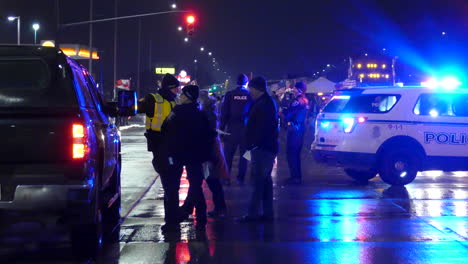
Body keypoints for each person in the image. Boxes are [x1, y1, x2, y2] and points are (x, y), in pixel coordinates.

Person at [161, 85, 216, 230]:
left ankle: (173, 221)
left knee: (172, 188)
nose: (180, 96)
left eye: (182, 95)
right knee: (196, 186)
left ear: (187, 97)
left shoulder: (177, 111)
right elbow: (209, 134)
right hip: (196, 155)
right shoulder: (201, 113)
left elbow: (165, 127)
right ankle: (201, 218)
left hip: (177, 154)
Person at [137, 73, 181, 230]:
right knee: (171, 185)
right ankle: (172, 219)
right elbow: (134, 107)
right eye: (177, 88)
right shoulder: (153, 99)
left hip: (165, 147)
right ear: (170, 87)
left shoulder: (173, 100)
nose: (178, 91)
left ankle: (172, 220)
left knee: (170, 185)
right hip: (163, 146)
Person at [180, 91, 229, 219]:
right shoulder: (209, 114)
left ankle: (218, 208)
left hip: (209, 152)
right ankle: (190, 207)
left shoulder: (206, 115)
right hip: (209, 151)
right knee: (205, 180)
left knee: (208, 180)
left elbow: (208, 134)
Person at [237, 76, 279, 223]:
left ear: (256, 88)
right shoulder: (265, 102)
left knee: (258, 182)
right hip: (265, 147)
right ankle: (267, 213)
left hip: (262, 148)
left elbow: (261, 128)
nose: (249, 92)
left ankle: (252, 214)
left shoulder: (263, 105)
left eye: (251, 89)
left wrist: (253, 144)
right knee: (265, 182)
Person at [220, 74, 252, 185]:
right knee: (245, 156)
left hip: (231, 130)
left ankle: (226, 178)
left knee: (228, 155)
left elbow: (224, 114)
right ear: (246, 83)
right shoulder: (250, 95)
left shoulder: (230, 95)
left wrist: (221, 130)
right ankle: (241, 178)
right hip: (246, 131)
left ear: (236, 82)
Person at [283, 81, 309, 185]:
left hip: (294, 128)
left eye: (294, 88)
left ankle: (295, 177)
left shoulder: (298, 101)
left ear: (298, 89)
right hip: (300, 128)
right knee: (296, 154)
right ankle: (296, 176)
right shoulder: (305, 100)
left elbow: (288, 113)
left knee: (291, 153)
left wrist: (284, 110)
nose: (293, 90)